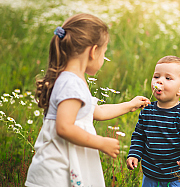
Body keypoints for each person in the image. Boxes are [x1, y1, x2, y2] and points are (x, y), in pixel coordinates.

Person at [25, 13, 150, 187]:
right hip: (57, 173)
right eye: (104, 53)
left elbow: (96, 111)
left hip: (65, 166)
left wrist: (129, 105)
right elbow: (64, 127)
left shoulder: (73, 79)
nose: (103, 59)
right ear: (93, 51)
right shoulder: (71, 84)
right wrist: (101, 142)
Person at [126, 56, 180, 187]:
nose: (159, 81)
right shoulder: (147, 111)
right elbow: (139, 136)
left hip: (178, 176)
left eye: (168, 78)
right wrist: (134, 154)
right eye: (156, 76)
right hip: (151, 175)